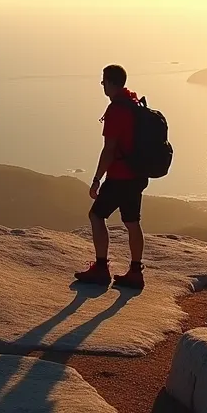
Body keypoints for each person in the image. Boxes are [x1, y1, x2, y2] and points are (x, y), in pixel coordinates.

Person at [75, 64, 147, 289]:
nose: (102, 86)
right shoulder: (135, 103)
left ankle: (101, 268)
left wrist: (97, 179)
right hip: (137, 174)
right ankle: (136, 272)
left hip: (119, 176)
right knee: (132, 222)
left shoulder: (116, 110)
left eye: (103, 81)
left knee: (96, 216)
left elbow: (109, 149)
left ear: (110, 82)